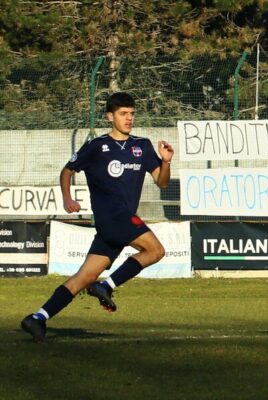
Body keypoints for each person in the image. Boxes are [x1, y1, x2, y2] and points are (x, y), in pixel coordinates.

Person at [21, 92, 174, 341]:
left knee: (85, 276)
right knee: (156, 251)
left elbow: (162, 182)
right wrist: (67, 198)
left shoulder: (142, 146)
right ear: (110, 116)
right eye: (123, 114)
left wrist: (166, 162)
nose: (129, 118)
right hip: (113, 216)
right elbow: (67, 170)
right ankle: (107, 286)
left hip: (115, 223)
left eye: (132, 114)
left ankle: (38, 318)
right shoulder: (97, 146)